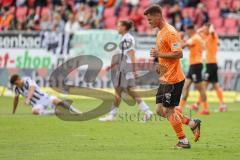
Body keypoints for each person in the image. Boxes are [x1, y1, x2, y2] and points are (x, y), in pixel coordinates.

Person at [144, 5, 201, 149]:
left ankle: (183, 141)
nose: (148, 22)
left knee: (169, 111)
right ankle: (192, 123)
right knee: (159, 110)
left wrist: (159, 55)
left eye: (150, 19)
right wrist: (159, 64)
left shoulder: (170, 32)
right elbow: (164, 52)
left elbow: (178, 53)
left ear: (158, 16)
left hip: (174, 78)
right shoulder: (160, 32)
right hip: (165, 77)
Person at [99, 20, 153, 122]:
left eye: (119, 26)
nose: (117, 27)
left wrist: (134, 69)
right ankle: (147, 111)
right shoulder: (124, 38)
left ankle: (112, 115)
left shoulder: (128, 38)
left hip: (125, 69)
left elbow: (132, 54)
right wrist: (111, 66)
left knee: (120, 92)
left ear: (124, 27)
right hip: (123, 68)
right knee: (128, 92)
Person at [191, 23, 227, 112]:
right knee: (215, 85)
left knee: (203, 86)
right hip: (211, 64)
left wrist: (210, 26)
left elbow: (212, 31)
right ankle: (222, 105)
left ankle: (199, 105)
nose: (203, 30)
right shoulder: (205, 36)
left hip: (211, 64)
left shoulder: (213, 36)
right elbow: (196, 33)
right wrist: (201, 29)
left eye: (205, 28)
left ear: (209, 28)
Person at [10, 74, 80, 115]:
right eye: (15, 84)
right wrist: (13, 112)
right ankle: (54, 112)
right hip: (36, 104)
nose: (17, 85)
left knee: (58, 101)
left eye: (16, 83)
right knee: (34, 111)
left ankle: (76, 111)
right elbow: (16, 100)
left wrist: (28, 99)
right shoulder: (17, 89)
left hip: (44, 98)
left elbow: (32, 88)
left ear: (19, 79)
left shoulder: (27, 80)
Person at [179, 25, 209, 115]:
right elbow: (186, 43)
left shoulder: (195, 38)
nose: (187, 33)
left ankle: (206, 109)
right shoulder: (196, 38)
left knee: (200, 88)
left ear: (190, 30)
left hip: (196, 65)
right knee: (186, 86)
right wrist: (182, 40)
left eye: (187, 31)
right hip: (193, 65)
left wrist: (180, 38)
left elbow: (182, 46)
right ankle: (180, 108)